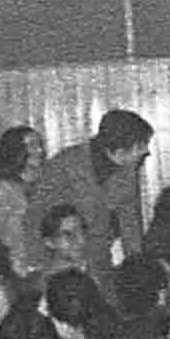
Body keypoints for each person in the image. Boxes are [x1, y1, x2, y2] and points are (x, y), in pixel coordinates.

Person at [21, 106, 156, 274]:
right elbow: (35, 217)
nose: (146, 151)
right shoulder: (64, 165)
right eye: (141, 146)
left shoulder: (128, 171)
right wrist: (38, 266)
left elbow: (130, 225)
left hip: (98, 262)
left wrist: (137, 269)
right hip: (57, 263)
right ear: (121, 151)